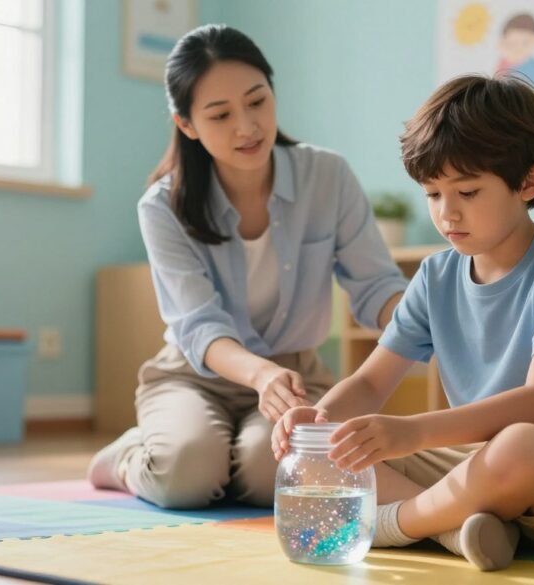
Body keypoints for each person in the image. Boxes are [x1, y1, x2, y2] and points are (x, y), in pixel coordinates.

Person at [272, 74, 534, 571]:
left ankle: (390, 525)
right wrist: (318, 425)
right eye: (432, 194)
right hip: (472, 471)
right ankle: (456, 530)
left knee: (521, 445)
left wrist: (409, 433)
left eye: (467, 191)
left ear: (529, 182)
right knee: (336, 448)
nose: (447, 214)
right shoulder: (435, 274)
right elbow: (370, 380)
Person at [87, 24, 406, 510]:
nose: (247, 126)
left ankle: (214, 454)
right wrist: (259, 375)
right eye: (220, 114)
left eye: (257, 102)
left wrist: (420, 320)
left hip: (297, 376)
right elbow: (197, 325)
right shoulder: (162, 206)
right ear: (187, 124)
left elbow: (375, 286)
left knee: (269, 477)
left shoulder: (328, 176)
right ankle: (133, 455)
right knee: (185, 476)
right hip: (193, 377)